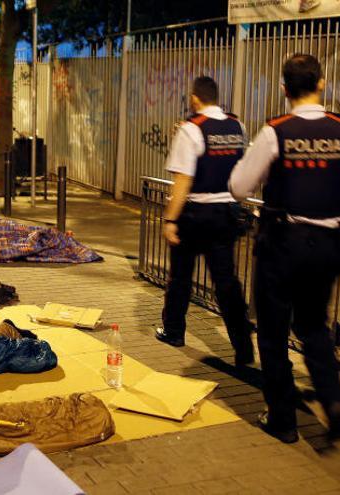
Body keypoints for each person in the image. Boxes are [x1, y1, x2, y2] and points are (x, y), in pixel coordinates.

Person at [229, 54, 340, 444]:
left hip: (281, 243)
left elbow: (239, 187)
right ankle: (332, 402)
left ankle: (283, 421)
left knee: (273, 333)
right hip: (327, 245)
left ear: (284, 89)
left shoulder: (275, 131)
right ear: (322, 84)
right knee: (313, 326)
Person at [154, 76, 255, 368]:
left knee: (180, 277)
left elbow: (183, 181)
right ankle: (243, 348)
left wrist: (170, 219)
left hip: (195, 214)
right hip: (225, 214)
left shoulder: (191, 129)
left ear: (195, 98)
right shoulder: (238, 126)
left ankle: (173, 332)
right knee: (227, 283)